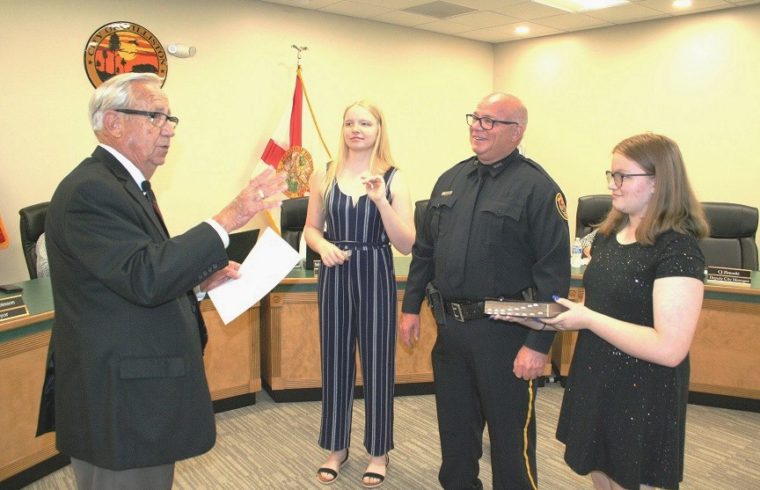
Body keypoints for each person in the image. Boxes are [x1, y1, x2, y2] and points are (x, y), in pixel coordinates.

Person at [36, 72, 286, 489]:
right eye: (155, 116)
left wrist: (199, 285)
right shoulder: (90, 191)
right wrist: (230, 217)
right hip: (118, 402)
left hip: (135, 395)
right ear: (113, 123)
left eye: (171, 118)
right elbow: (145, 276)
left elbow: (132, 277)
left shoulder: (127, 186)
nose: (169, 129)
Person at [498, 133, 708, 489]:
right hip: (597, 374)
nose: (613, 185)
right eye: (611, 175)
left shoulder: (678, 249)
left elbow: (670, 348)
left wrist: (587, 318)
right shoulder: (609, 235)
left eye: (623, 176)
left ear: (658, 182)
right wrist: (544, 317)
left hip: (643, 388)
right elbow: (601, 309)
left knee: (630, 478)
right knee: (600, 472)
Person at [399, 93, 570, 490]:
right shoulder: (450, 180)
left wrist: (538, 346)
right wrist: (410, 308)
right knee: (456, 434)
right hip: (452, 332)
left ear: (517, 132)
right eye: (475, 118)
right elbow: (425, 252)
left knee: (510, 440)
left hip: (506, 333)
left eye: (491, 121)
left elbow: (553, 277)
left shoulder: (538, 188)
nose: (478, 126)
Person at [304, 100, 414, 487]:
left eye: (365, 123)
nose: (356, 129)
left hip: (375, 271)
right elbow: (311, 229)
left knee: (378, 363)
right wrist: (322, 246)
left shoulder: (394, 177)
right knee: (335, 361)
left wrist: (381, 200)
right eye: (350, 122)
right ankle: (336, 447)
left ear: (378, 129)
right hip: (334, 273)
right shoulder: (325, 173)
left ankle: (378, 452)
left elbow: (406, 243)